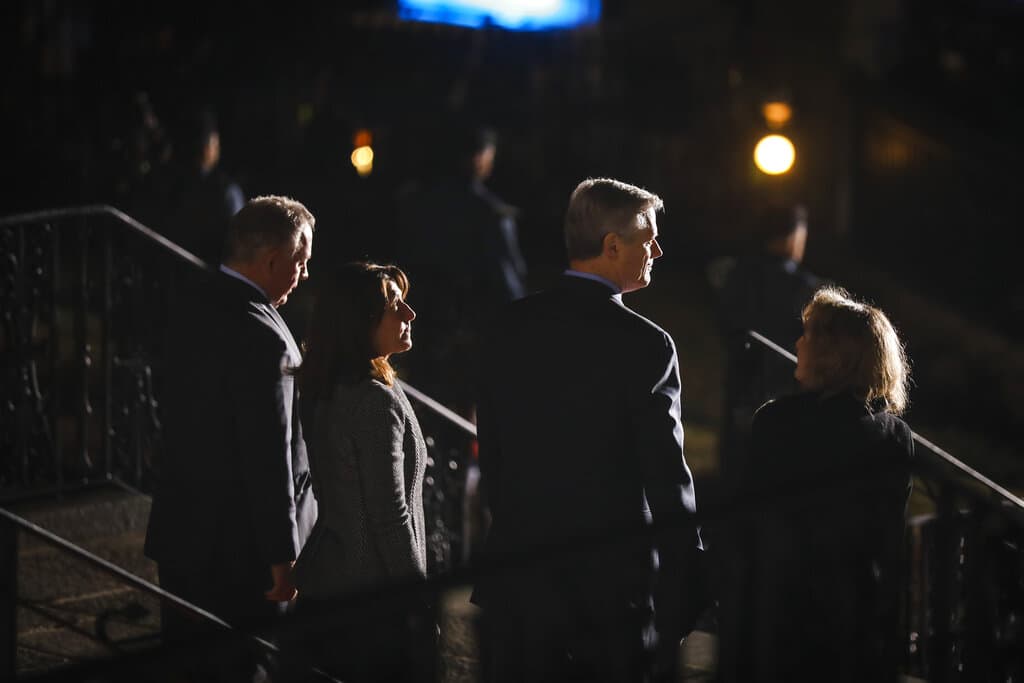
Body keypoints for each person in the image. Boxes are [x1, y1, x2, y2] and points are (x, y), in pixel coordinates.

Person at [472, 178, 704, 683]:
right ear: (613, 245)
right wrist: (686, 576)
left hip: (517, 573)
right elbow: (665, 473)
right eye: (649, 239)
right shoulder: (646, 345)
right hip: (609, 586)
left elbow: (492, 451)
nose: (658, 250)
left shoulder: (508, 326)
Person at [144, 195, 317, 682]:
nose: (303, 275)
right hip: (240, 552)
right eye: (300, 262)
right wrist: (283, 558)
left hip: (182, 536)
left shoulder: (189, 303)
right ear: (271, 260)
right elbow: (270, 455)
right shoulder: (265, 335)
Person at [718, 286, 914, 683]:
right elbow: (888, 532)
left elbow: (748, 514)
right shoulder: (893, 436)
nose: (797, 344)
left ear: (832, 353)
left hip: (781, 608)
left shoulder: (779, 422)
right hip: (856, 611)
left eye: (807, 336)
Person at [291, 262, 433, 682]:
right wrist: (419, 599)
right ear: (360, 321)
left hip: (330, 588)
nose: (409, 313)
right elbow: (390, 516)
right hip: (370, 607)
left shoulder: (328, 384)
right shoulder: (373, 400)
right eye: (394, 305)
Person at [709, 202, 822, 484]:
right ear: (794, 236)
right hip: (787, 392)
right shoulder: (805, 287)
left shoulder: (737, 275)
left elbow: (725, 326)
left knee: (735, 471)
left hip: (740, 384)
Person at [158, 107, 246, 264]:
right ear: (209, 145)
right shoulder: (226, 190)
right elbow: (238, 244)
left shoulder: (167, 186)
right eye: (215, 142)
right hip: (212, 276)